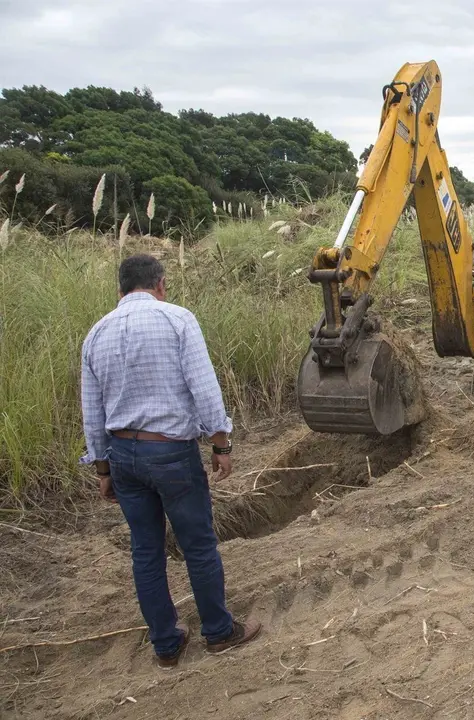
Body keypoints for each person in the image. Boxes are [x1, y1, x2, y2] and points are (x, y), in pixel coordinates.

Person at [80, 254, 261, 667]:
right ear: (160, 284)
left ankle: (166, 644)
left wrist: (102, 468)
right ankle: (218, 632)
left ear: (120, 290)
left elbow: (92, 413)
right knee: (197, 545)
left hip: (123, 455)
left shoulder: (96, 334)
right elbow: (203, 385)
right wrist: (221, 442)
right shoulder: (177, 319)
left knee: (145, 551)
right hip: (171, 453)